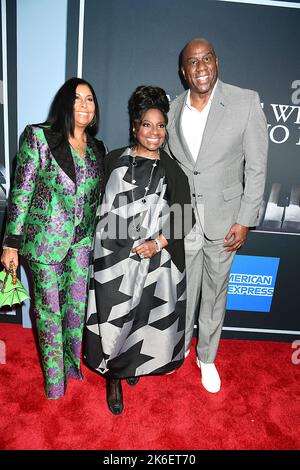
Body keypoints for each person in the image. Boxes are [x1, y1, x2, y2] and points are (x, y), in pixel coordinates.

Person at [83, 85, 194, 414]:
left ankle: (131, 365)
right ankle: (113, 376)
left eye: (160, 126)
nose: (154, 132)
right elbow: (93, 205)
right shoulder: (112, 159)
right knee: (113, 320)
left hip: (152, 262)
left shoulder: (174, 171)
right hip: (110, 259)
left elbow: (184, 217)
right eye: (147, 124)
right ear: (135, 126)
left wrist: (156, 244)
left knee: (142, 318)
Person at [167, 38, 268, 393]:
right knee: (180, 291)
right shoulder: (172, 108)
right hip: (182, 217)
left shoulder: (245, 101)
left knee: (214, 292)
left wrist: (245, 218)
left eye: (206, 59)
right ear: (184, 72)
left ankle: (206, 358)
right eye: (192, 62)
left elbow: (256, 167)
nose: (201, 67)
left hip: (225, 219)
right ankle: (177, 351)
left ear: (216, 62)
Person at [1, 77, 106, 399]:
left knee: (75, 309)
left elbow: (96, 200)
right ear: (65, 103)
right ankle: (54, 381)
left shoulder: (97, 148)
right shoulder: (39, 137)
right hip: (44, 242)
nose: (85, 105)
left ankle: (72, 366)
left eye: (90, 99)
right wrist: (11, 244)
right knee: (48, 310)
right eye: (78, 99)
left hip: (81, 244)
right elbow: (21, 192)